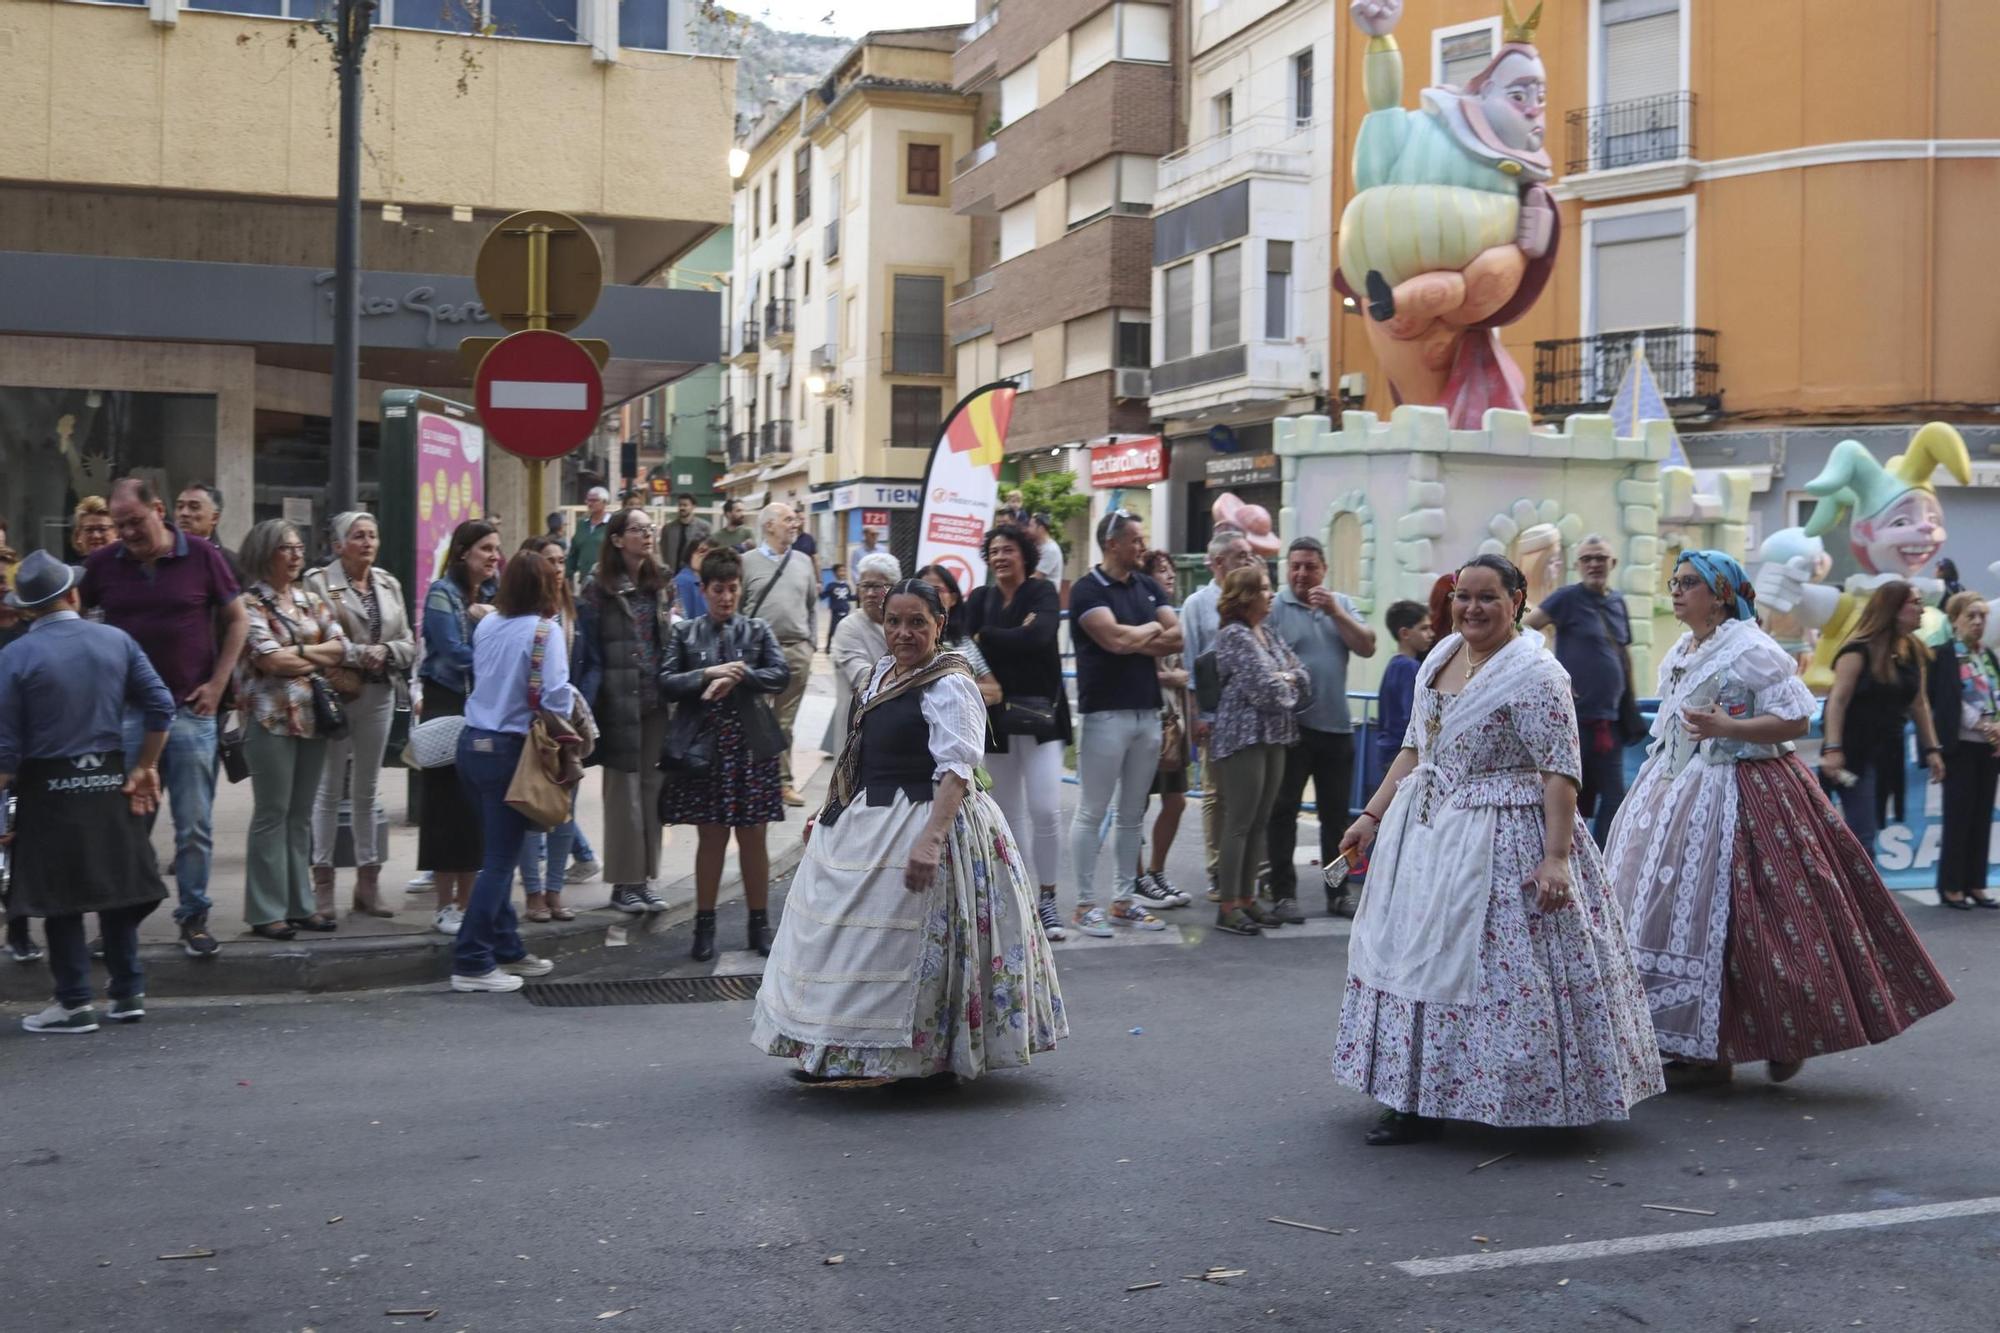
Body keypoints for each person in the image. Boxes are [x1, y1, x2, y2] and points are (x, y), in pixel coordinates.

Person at [1333, 555, 1664, 1145]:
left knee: (1494, 970)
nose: (1473, 608)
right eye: (1464, 596)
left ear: (1518, 600)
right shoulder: (1439, 656)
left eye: (1489, 597)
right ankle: (1413, 1098)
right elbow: (1415, 747)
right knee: (1413, 957)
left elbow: (1560, 770)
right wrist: (1372, 815)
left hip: (1503, 834)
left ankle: (1524, 1098)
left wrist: (1557, 857)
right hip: (1427, 830)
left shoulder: (1537, 674)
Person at [1606, 551, 1955, 1085]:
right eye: (1674, 582)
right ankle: (1701, 1047)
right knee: (1681, 916)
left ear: (1722, 593)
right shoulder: (1683, 648)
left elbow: (1796, 715)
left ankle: (1786, 1033)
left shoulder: (1751, 648)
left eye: (1690, 583)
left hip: (1746, 792)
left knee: (1759, 921)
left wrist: (1731, 727)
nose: (1677, 591)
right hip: (1678, 791)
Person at [752, 578, 1067, 1084]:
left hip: (927, 819)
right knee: (851, 945)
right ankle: (840, 1049)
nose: (903, 632)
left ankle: (924, 1056)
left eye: (917, 622)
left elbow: (958, 769)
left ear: (939, 625)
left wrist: (931, 838)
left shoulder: (950, 682)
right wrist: (831, 809)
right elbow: (861, 750)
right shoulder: (881, 672)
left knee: (909, 949)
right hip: (869, 817)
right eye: (894, 621)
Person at [1, 552, 173, 1034]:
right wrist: (144, 767)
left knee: (61, 896)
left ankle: (75, 1001)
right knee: (116, 888)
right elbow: (161, 705)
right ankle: (128, 992)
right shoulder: (116, 640)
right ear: (74, 595)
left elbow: (5, 752)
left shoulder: (14, 656)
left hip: (49, 788)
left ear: (29, 608)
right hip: (111, 780)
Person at [82, 478, 246, 959]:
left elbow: (238, 618)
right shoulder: (102, 565)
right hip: (128, 716)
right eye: (120, 524)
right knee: (128, 824)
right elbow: (73, 615)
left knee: (193, 825)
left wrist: (218, 685)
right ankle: (121, 919)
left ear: (158, 509)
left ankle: (193, 917)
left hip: (191, 712)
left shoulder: (200, 555)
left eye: (135, 521)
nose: (128, 532)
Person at [658, 548, 792, 961]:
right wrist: (707, 674)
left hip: (750, 750)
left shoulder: (756, 630)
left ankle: (759, 924)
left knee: (754, 839)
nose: (726, 597)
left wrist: (741, 673)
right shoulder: (685, 633)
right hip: (705, 751)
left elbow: (781, 673)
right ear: (704, 590)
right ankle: (704, 926)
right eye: (719, 590)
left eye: (733, 589)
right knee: (711, 839)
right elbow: (665, 681)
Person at [449, 551, 572, 993]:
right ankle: (472, 960)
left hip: (472, 744)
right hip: (511, 751)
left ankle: (506, 946)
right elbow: (556, 696)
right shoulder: (546, 631)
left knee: (495, 855)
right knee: (501, 862)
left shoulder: (487, 625)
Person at [1066, 509, 1183, 937]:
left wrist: (1134, 636)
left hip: (1147, 712)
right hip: (1104, 714)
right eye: (1136, 539)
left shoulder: (1148, 585)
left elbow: (1179, 637)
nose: (1143, 547)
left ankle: (1123, 899)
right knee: (1092, 810)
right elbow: (1112, 641)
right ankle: (1082, 904)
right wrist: (1150, 628)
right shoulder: (1085, 589)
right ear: (1112, 543)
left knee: (1133, 812)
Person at [236, 519, 353, 939]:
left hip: (311, 720)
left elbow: (341, 648)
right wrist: (313, 655)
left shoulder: (310, 600)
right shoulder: (248, 605)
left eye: (300, 547)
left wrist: (298, 652)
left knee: (300, 816)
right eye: (287, 548)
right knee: (272, 813)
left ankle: (300, 905)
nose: (297, 555)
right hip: (269, 718)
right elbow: (269, 660)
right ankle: (266, 911)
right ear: (266, 553)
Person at [304, 512, 415, 919]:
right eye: (357, 536)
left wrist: (386, 652)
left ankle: (368, 885)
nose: (367, 542)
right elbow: (314, 637)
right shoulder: (318, 582)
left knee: (367, 790)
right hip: (337, 694)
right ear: (338, 545)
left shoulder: (388, 583)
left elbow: (407, 641)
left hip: (380, 692)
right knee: (329, 789)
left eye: (372, 535)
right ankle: (323, 886)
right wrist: (355, 653)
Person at [968, 525, 1071, 941]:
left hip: (1042, 719)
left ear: (1025, 555)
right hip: (995, 722)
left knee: (1046, 809)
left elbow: (1041, 636)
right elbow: (967, 645)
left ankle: (1048, 897)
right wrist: (1015, 635)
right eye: (993, 551)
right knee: (1006, 817)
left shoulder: (1042, 594)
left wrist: (989, 636)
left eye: (1008, 549)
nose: (1000, 557)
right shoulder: (979, 598)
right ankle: (1020, 897)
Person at [1266, 536, 1376, 922]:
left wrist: (1335, 612)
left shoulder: (1340, 604)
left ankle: (1337, 891)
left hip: (1336, 728)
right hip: (1292, 730)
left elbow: (1367, 646)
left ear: (1323, 569)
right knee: (1283, 812)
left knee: (1336, 818)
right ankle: (1283, 894)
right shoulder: (1274, 607)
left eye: (1309, 566)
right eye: (1295, 565)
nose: (1301, 573)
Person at [575, 508, 673, 915]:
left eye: (650, 529)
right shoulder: (597, 590)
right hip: (617, 702)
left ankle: (645, 879)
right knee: (623, 796)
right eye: (637, 529)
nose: (647, 535)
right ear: (617, 539)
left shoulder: (660, 584)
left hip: (656, 703)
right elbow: (589, 653)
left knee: (652, 793)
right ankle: (623, 884)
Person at [1208, 565, 1308, 935]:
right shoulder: (1234, 635)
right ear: (1247, 595)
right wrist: (1287, 681)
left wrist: (1287, 680)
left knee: (1260, 821)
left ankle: (1248, 900)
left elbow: (1302, 674)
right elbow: (1265, 689)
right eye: (1265, 588)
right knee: (1240, 821)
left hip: (1275, 734)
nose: (1271, 594)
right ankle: (1229, 905)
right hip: (1243, 737)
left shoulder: (1267, 633)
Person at [418, 520, 503, 935]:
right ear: (463, 552)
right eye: (485, 548)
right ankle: (443, 904)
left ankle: (467, 903)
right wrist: (489, 640)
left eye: (496, 549)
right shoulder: (442, 594)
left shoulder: (492, 593)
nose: (493, 556)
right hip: (445, 703)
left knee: (473, 808)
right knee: (444, 806)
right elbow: (452, 653)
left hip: (483, 706)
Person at [1819, 580, 1946, 854]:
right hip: (1853, 754)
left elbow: (1919, 703)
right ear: (1893, 609)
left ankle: (1858, 893)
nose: (1922, 610)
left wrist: (1932, 749)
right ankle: (1861, 895)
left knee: (1870, 828)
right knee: (1862, 834)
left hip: (1887, 752)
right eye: (1915, 603)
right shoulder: (1857, 651)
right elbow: (1837, 702)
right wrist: (1833, 748)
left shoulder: (1912, 650)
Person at [1524, 535, 1634, 846]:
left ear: (1612, 563)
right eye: (1587, 559)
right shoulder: (1566, 598)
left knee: (1615, 798)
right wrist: (1548, 680)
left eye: (1600, 558)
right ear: (1578, 565)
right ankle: (1565, 859)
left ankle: (1603, 859)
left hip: (1609, 720)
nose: (1594, 564)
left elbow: (1622, 652)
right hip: (1573, 720)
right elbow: (1525, 631)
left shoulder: (1617, 602)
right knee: (1569, 796)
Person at [1179, 532, 1260, 902]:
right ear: (1218, 563)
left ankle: (1249, 871)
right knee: (1217, 794)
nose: (1248, 561)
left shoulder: (1258, 598)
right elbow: (1192, 662)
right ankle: (1216, 869)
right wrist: (1197, 714)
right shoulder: (1198, 604)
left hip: (1253, 711)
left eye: (1249, 555)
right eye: (1239, 556)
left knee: (1251, 794)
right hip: (1216, 711)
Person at [512, 536, 586, 922]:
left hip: (569, 728)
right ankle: (533, 893)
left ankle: (555, 890)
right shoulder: (523, 617)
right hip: (535, 729)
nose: (557, 568)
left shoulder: (572, 613)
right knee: (532, 812)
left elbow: (586, 663)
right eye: (549, 561)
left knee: (564, 814)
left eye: (561, 561)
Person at [740, 502, 819, 807]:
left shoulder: (802, 561)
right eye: (788, 519)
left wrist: (810, 644)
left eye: (795, 519)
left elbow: (812, 607)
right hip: (756, 655)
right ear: (769, 525)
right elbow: (736, 608)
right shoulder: (746, 562)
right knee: (754, 720)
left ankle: (783, 784)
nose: (795, 523)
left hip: (796, 652)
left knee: (784, 723)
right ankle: (753, 781)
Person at [1930, 591, 2000, 909]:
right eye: (1970, 615)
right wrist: (1982, 724)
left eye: (1982, 616)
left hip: (1989, 747)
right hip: (1961, 745)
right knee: (1958, 816)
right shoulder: (1945, 655)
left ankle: (1976, 883)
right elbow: (1947, 700)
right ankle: (1952, 886)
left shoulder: (1988, 654)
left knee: (1982, 815)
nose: (1977, 622)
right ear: (1954, 619)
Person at [1135, 550, 1192, 907]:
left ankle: (1156, 871)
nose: (1169, 576)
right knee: (1134, 805)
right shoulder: (1142, 619)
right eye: (1161, 570)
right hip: (1146, 719)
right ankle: (1136, 877)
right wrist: (1173, 677)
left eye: (1171, 570)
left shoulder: (1174, 621)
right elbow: (1137, 670)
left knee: (1177, 800)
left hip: (1175, 722)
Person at [822, 553, 896, 753]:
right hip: (858, 739)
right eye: (865, 586)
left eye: (877, 586)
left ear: (893, 587)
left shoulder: (900, 626)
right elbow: (865, 680)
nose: (870, 593)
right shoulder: (849, 628)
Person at [1371, 600, 1432, 795]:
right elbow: (1412, 714)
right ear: (1405, 633)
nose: (1430, 634)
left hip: (1387, 750)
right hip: (1400, 753)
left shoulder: (1393, 665)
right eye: (1424, 628)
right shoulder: (1410, 668)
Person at [565, 486, 612, 588]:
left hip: (607, 581)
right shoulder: (582, 524)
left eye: (594, 500)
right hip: (585, 581)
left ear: (604, 502)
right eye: (588, 500)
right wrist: (568, 575)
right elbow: (573, 552)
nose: (590, 503)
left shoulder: (613, 523)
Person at [658, 492, 711, 575]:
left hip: (693, 574)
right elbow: (662, 550)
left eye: (685, 505)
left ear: (693, 507)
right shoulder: (668, 528)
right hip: (671, 574)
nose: (682, 508)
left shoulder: (704, 527)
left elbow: (707, 552)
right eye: (680, 505)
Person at [672, 537, 713, 622]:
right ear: (690, 554)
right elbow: (683, 621)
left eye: (710, 553)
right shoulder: (683, 581)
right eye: (701, 551)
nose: (705, 556)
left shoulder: (709, 580)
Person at [70, 497, 116, 563]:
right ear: (78, 536)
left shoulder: (130, 570)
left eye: (103, 529)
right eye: (89, 529)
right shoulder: (71, 572)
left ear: (116, 533)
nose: (96, 536)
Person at [822, 562, 853, 650]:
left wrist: (859, 595)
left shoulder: (847, 586)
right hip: (836, 612)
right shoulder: (831, 586)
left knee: (846, 630)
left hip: (846, 611)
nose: (842, 573)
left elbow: (850, 597)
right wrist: (818, 591)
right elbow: (823, 596)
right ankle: (828, 647)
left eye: (844, 571)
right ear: (835, 573)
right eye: (840, 571)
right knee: (832, 630)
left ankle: (845, 646)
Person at [1027, 513, 1064, 583]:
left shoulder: (1051, 550)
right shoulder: (1035, 545)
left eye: (1030, 526)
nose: (1028, 529)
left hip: (1044, 593)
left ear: (1041, 529)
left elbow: (1037, 577)